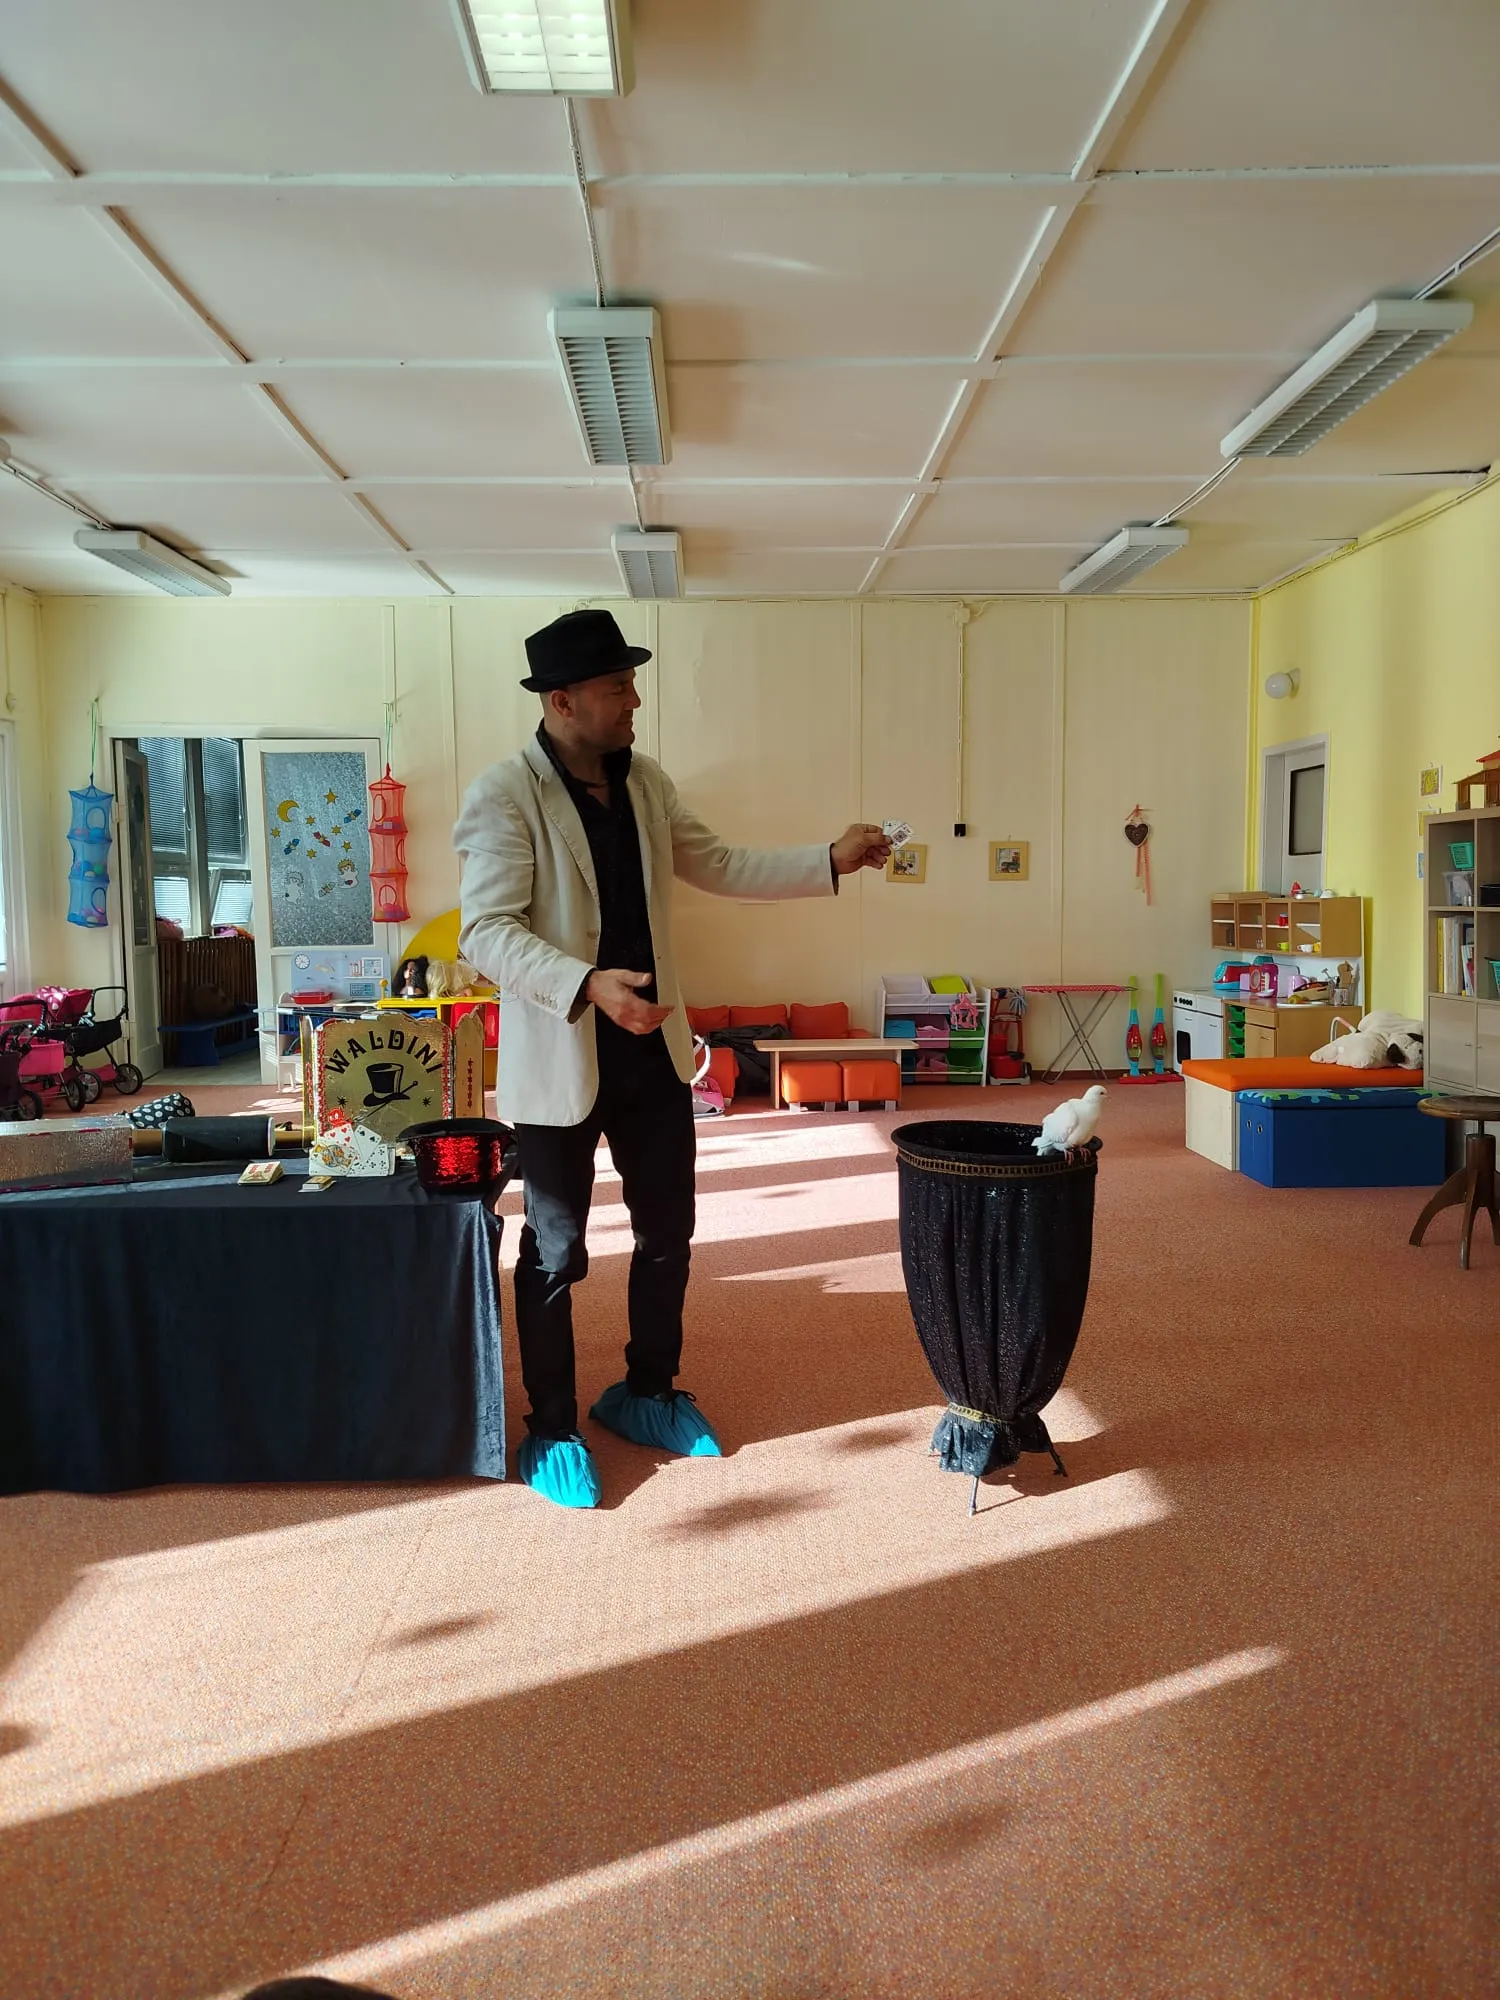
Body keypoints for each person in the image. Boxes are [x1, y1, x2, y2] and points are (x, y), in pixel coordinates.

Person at [455, 608, 891, 1508]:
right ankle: (552, 1427)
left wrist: (831, 859)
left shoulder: (647, 782)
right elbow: (485, 931)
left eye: (632, 683)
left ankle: (647, 1391)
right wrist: (586, 983)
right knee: (555, 1252)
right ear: (563, 700)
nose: (635, 701)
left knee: (668, 1236)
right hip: (561, 1058)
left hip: (652, 1052)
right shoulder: (504, 794)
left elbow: (720, 863)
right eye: (618, 687)